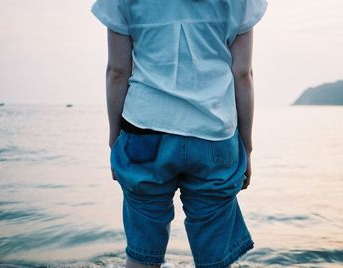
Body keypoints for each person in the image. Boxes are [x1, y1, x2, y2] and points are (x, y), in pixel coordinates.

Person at [91, 0, 268, 267]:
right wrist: (247, 148)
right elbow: (243, 74)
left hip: (143, 130)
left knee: (142, 257)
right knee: (215, 260)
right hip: (214, 134)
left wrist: (114, 140)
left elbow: (117, 72)